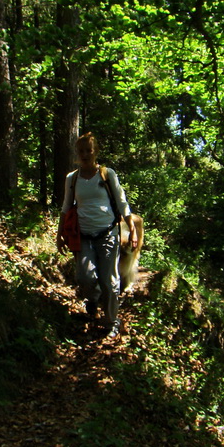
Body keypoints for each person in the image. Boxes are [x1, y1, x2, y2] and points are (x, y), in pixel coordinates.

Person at [57, 133, 138, 338]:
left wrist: (132, 228)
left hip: (107, 234)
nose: (85, 155)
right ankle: (92, 300)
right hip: (82, 235)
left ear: (96, 152)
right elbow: (66, 207)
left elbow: (121, 202)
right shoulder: (72, 178)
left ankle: (111, 322)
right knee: (84, 276)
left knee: (109, 281)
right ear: (77, 153)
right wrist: (59, 234)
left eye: (89, 150)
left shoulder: (107, 174)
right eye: (81, 151)